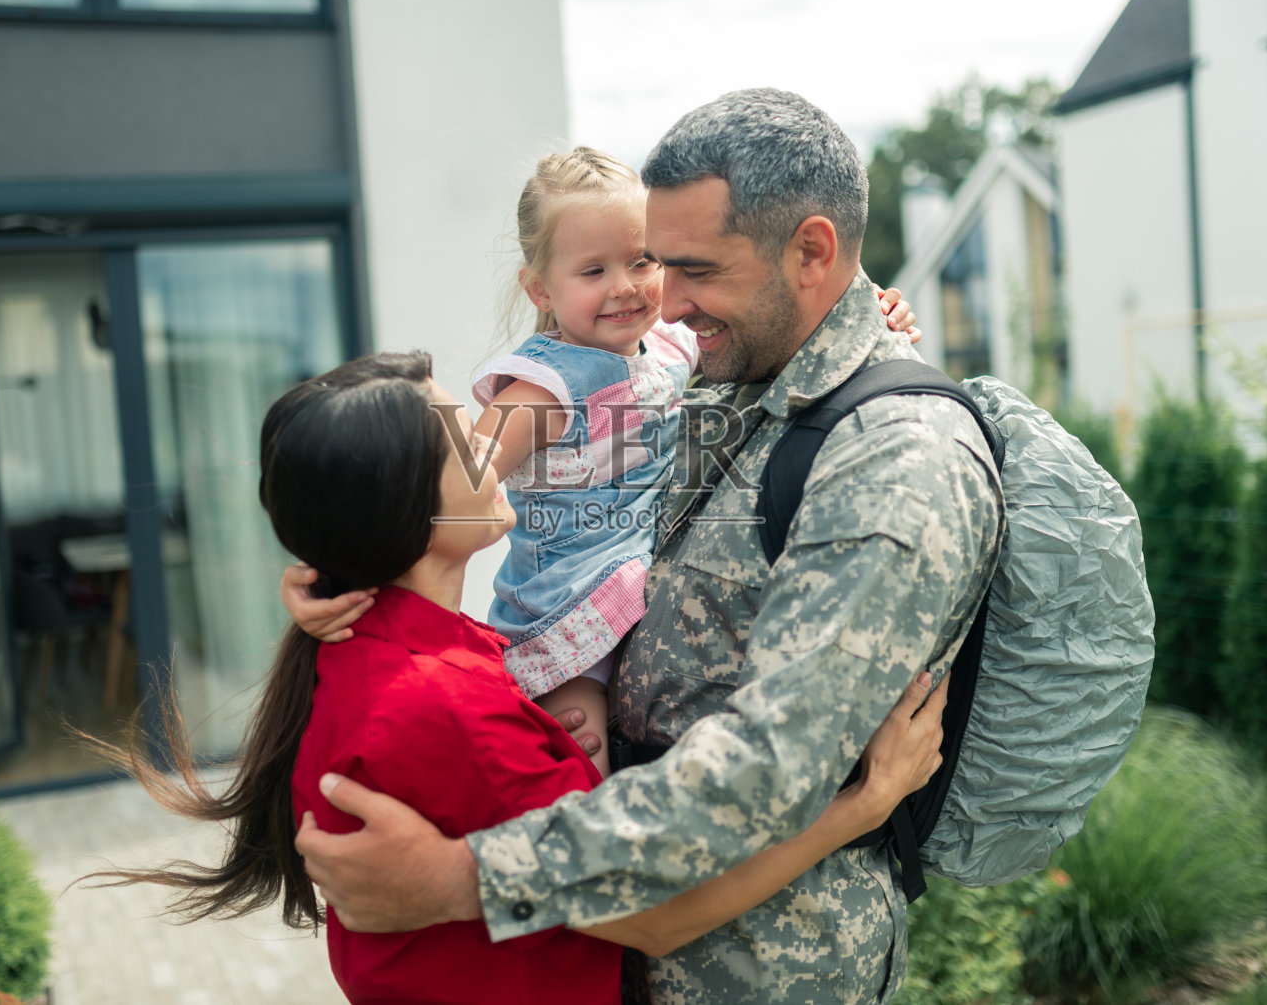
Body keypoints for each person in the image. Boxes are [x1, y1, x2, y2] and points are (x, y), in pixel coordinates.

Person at [287, 89, 1005, 1005]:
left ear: (812, 253)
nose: (662, 298)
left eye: (680, 268)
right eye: (647, 264)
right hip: (625, 951)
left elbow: (761, 773)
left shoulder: (895, 458)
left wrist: (460, 879)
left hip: (763, 973)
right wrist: (344, 556)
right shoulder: (728, 371)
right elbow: (447, 478)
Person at [80, 349, 951, 1005]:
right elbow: (656, 913)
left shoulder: (370, 653)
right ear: (409, 509)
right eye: (465, 440)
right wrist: (866, 804)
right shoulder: (446, 704)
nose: (492, 447)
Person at [293, 147, 920, 778]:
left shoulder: (672, 342)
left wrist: (871, 312)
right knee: (583, 768)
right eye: (593, 270)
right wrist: (334, 578)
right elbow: (440, 490)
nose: (624, 285)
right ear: (541, 289)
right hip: (570, 613)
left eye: (642, 260)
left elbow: (780, 322)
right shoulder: (542, 390)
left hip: (653, 588)